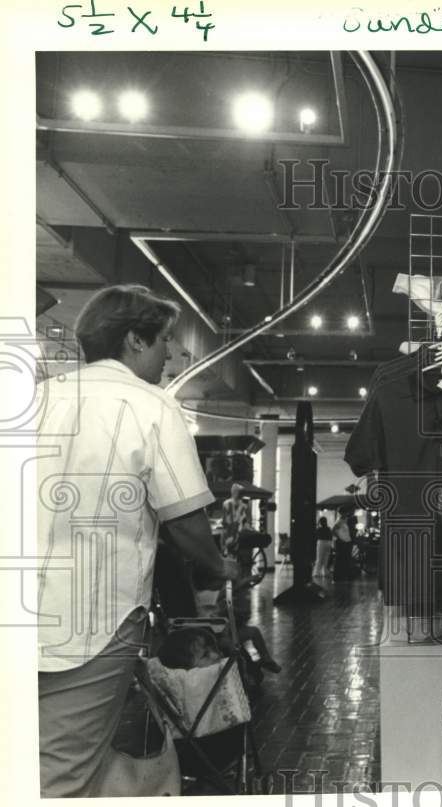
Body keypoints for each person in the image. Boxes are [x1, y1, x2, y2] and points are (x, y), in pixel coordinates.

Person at [35, 284, 240, 797]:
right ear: (134, 340)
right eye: (164, 341)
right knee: (63, 773)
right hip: (93, 618)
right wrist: (220, 567)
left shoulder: (39, 398)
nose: (170, 354)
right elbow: (186, 520)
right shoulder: (150, 406)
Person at [221, 483, 249, 554]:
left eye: (237, 492)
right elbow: (225, 519)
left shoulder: (243, 506)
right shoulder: (227, 504)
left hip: (235, 529)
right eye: (235, 491)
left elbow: (244, 519)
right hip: (232, 529)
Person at [331, 506, 356, 580]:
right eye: (345, 512)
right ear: (342, 513)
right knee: (341, 559)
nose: (346, 514)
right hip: (343, 543)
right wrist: (339, 538)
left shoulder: (344, 520)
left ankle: (343, 576)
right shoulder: (340, 521)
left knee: (344, 559)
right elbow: (333, 531)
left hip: (346, 541)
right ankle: (338, 576)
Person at [313, 516, 334, 580]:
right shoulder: (328, 528)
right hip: (328, 542)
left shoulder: (319, 529)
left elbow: (315, 536)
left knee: (319, 558)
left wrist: (317, 524)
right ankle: (324, 572)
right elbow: (331, 536)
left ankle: (316, 572)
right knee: (326, 558)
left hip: (321, 542)